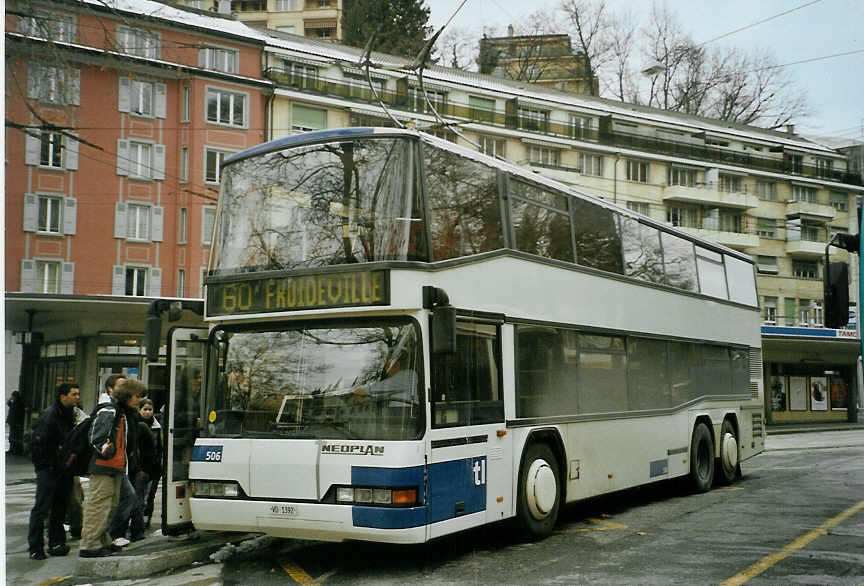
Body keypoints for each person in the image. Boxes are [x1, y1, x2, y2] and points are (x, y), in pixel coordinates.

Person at [79, 378, 144, 558]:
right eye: (137, 396)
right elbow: (96, 438)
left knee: (111, 505)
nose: (139, 400)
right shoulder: (109, 410)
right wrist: (108, 450)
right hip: (103, 466)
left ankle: (102, 540)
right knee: (98, 505)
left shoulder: (121, 412)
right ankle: (90, 544)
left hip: (114, 466)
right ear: (127, 396)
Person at [27, 383, 79, 560]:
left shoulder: (68, 414)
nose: (77, 397)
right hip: (49, 468)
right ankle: (35, 547)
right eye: (73, 394)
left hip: (63, 468)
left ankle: (56, 543)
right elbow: (39, 443)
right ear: (62, 396)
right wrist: (45, 466)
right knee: (42, 508)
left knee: (59, 507)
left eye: (77, 394)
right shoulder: (50, 415)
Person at [65, 402, 90, 540]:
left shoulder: (82, 420)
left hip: (71, 464)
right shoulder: (56, 417)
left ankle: (76, 526)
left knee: (75, 496)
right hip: (62, 463)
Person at [139, 399, 163, 528]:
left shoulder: (157, 427)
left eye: (150, 409)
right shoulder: (136, 423)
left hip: (154, 467)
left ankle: (146, 518)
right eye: (145, 409)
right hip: (139, 466)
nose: (148, 412)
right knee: (139, 495)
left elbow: (160, 446)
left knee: (150, 495)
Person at [7, 390, 25, 456]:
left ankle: (14, 450)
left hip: (16, 422)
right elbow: (8, 403)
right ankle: (11, 449)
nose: (12, 397)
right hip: (13, 422)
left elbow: (19, 414)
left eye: (13, 396)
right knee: (12, 436)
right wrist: (10, 399)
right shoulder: (14, 403)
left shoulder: (19, 404)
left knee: (15, 436)